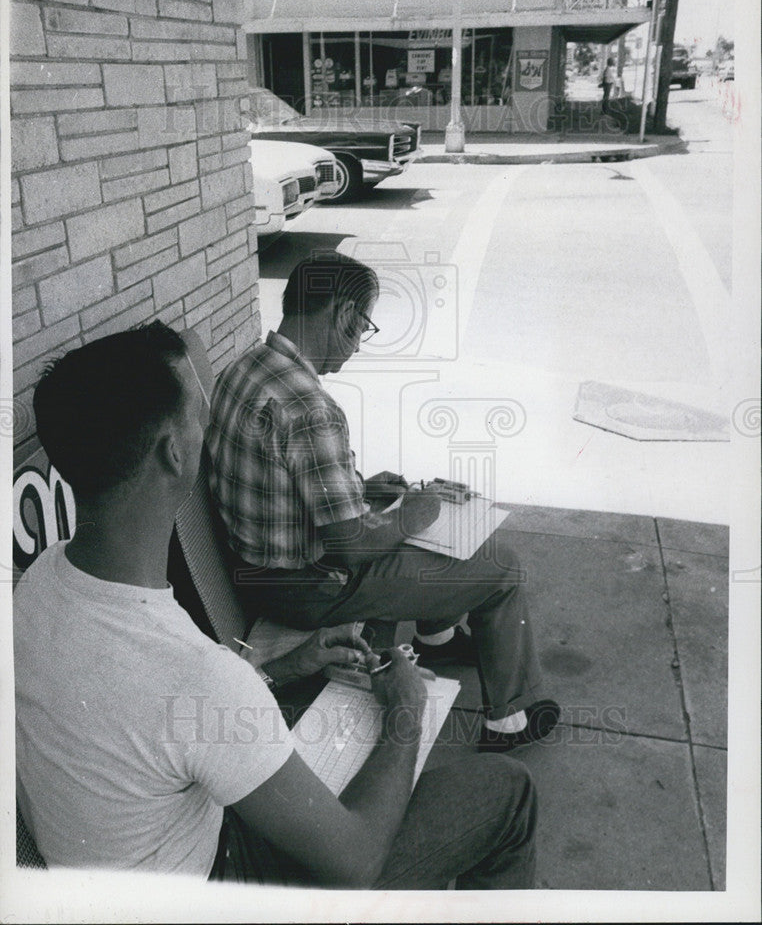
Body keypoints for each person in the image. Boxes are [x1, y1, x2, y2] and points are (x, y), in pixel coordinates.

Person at [14, 322, 537, 888]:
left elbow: (154, 725)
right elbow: (354, 861)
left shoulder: (38, 583)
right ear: (173, 453)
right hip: (218, 884)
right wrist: (406, 713)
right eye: (199, 414)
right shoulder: (195, 675)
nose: (208, 424)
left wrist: (279, 669)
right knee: (510, 793)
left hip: (133, 864)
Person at [207, 255, 560, 753]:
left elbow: (280, 485)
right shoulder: (310, 406)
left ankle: (438, 638)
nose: (357, 344)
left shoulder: (243, 369)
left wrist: (365, 490)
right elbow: (351, 545)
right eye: (363, 327)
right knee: (499, 564)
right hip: (310, 588)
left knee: (419, 521)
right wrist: (412, 514)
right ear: (343, 314)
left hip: (258, 569)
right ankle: (512, 717)